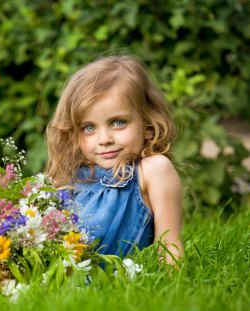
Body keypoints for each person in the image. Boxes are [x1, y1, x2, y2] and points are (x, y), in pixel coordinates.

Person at [45, 54, 184, 264]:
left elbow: (169, 244)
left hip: (114, 283)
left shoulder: (152, 170)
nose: (104, 139)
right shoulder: (75, 177)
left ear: (147, 125)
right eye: (89, 128)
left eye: (118, 123)